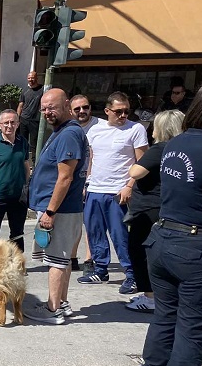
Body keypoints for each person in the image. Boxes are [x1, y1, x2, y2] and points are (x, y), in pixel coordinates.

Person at [136, 80, 202, 366]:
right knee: (194, 327)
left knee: (166, 318)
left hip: (162, 239)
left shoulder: (175, 143)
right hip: (196, 247)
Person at [24, 88, 88, 325]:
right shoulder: (63, 132)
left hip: (60, 210)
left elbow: (65, 177)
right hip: (62, 208)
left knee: (56, 260)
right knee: (61, 259)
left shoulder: (69, 135)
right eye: (44, 108)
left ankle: (53, 310)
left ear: (67, 104)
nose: (47, 112)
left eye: (52, 106)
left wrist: (50, 212)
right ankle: (60, 302)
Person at [78, 91, 149, 294]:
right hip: (95, 189)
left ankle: (132, 274)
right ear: (108, 111)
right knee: (94, 232)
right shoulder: (96, 130)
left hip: (118, 191)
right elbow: (92, 158)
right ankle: (100, 269)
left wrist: (129, 186)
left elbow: (142, 162)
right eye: (118, 111)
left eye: (126, 111)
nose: (123, 115)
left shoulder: (135, 129)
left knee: (120, 236)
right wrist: (86, 184)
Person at [124, 109, 185, 313]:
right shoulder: (182, 150)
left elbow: (136, 171)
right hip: (167, 207)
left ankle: (150, 297)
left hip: (149, 209)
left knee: (139, 251)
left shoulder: (160, 148)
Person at [0, 109, 30, 251]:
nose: (9, 126)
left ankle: (17, 265)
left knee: (17, 234)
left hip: (18, 198)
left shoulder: (23, 143)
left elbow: (27, 167)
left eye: (13, 122)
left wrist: (27, 188)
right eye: (6, 123)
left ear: (18, 124)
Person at [68, 94, 100, 273]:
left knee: (91, 222)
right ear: (71, 111)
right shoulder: (68, 128)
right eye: (77, 109)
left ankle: (90, 258)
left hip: (94, 181)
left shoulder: (101, 127)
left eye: (85, 107)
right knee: (74, 222)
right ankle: (72, 257)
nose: (82, 111)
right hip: (72, 181)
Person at [17, 71, 44, 155]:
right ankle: (22, 161)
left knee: (34, 144)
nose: (30, 80)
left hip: (35, 120)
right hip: (23, 119)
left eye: (32, 78)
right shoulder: (24, 91)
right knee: (22, 141)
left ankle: (34, 164)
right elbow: (20, 105)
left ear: (36, 78)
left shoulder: (43, 90)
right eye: (29, 78)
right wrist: (17, 118)